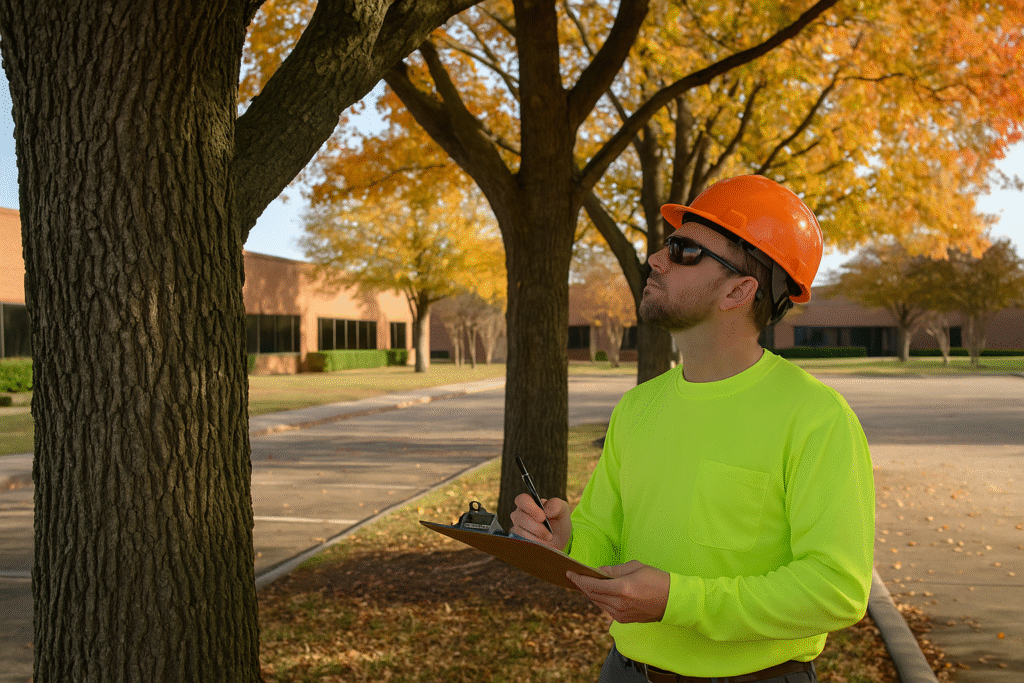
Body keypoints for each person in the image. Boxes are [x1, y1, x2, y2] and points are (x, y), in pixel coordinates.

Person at [510, 175, 875, 683]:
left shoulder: (816, 417)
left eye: (683, 251)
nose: (656, 259)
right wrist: (566, 540)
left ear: (739, 290)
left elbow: (836, 589)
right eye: (667, 246)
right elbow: (603, 538)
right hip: (625, 672)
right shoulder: (638, 407)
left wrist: (679, 600)